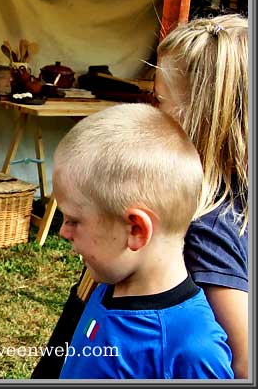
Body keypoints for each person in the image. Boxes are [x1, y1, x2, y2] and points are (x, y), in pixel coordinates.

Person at [52, 103, 233, 379]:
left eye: (74, 220)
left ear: (136, 229)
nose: (63, 232)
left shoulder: (192, 351)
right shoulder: (106, 285)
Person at [153, 14, 248, 378]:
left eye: (160, 101)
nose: (153, 113)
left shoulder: (203, 231)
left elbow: (244, 361)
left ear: (200, 117)